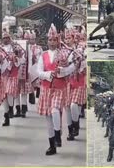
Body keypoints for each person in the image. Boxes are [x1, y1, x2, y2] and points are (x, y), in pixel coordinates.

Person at [37, 24, 76, 155]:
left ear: (58, 41)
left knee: (54, 110)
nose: (52, 42)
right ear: (47, 41)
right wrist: (48, 74)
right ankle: (51, 145)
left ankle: (58, 133)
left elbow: (72, 68)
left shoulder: (64, 53)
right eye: (50, 40)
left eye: (54, 40)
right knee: (48, 118)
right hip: (46, 88)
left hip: (59, 88)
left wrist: (62, 72)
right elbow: (38, 72)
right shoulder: (43, 55)